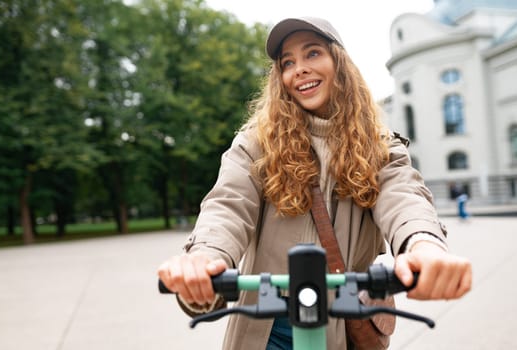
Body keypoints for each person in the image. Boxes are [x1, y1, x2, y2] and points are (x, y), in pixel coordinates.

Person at [158, 17, 472, 350]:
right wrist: (205, 256)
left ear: (339, 62)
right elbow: (227, 206)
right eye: (287, 62)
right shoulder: (255, 144)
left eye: (312, 53)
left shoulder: (381, 146)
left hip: (342, 319)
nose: (300, 69)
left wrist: (423, 245)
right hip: (268, 323)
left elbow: (405, 197)